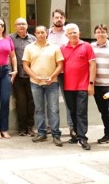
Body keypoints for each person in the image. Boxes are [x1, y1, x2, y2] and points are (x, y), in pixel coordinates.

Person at [22, 25, 64, 147]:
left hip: (52, 83)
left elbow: (60, 65)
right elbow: (25, 65)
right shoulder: (29, 48)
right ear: (34, 34)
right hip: (35, 83)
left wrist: (52, 77)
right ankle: (41, 133)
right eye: (38, 32)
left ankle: (56, 134)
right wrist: (34, 77)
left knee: (53, 109)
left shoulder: (55, 48)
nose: (40, 34)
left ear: (46, 33)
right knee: (39, 109)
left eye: (42, 32)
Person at [61, 23, 96, 150]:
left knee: (81, 112)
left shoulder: (86, 46)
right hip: (68, 86)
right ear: (66, 35)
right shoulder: (63, 48)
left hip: (83, 85)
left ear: (79, 33)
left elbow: (92, 65)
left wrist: (91, 84)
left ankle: (83, 137)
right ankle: (76, 134)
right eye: (70, 33)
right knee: (73, 111)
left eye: (74, 32)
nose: (72, 35)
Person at [48, 8, 73, 137]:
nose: (59, 19)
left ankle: (72, 127)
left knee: (68, 100)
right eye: (56, 17)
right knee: (51, 101)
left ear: (64, 19)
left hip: (66, 72)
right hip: (50, 72)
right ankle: (51, 126)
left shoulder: (69, 34)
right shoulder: (46, 34)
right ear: (53, 19)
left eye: (61, 17)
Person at [9, 17, 35, 137]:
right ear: (15, 26)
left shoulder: (33, 39)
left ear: (27, 26)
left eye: (23, 24)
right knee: (21, 102)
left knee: (31, 102)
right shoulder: (10, 38)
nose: (21, 26)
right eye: (18, 24)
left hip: (32, 75)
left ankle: (30, 127)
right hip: (18, 75)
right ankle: (21, 127)